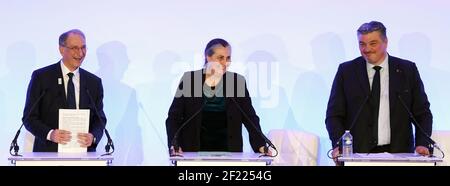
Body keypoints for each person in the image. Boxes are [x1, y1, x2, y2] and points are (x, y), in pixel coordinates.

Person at [325, 21, 433, 162]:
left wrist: (422, 144)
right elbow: (334, 116)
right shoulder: (347, 71)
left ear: (385, 42)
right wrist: (338, 145)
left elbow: (422, 113)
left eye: (373, 43)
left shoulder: (407, 70)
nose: (367, 49)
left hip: (399, 155)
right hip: (356, 155)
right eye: (362, 44)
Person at [166, 38, 269, 156]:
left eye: (228, 58)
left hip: (230, 151)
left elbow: (250, 117)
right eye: (220, 58)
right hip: (194, 150)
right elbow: (174, 117)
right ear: (208, 57)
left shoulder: (236, 82)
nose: (225, 63)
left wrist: (261, 145)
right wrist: (174, 144)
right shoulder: (190, 80)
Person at [22, 29, 106, 152]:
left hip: (84, 156)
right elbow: (29, 118)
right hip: (48, 154)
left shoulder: (94, 82)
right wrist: (50, 134)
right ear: (61, 49)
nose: (80, 53)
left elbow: (100, 119)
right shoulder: (42, 77)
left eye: (83, 48)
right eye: (74, 48)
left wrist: (93, 137)